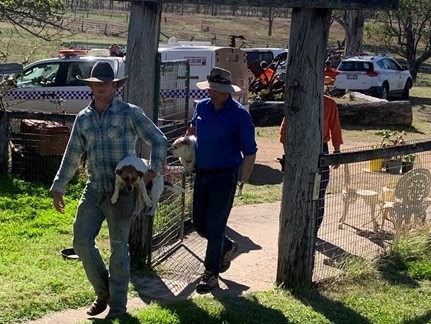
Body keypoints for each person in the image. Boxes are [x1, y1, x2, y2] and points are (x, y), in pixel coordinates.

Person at [50, 62, 168, 319]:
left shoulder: (130, 113)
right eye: (95, 84)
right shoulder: (84, 118)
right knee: (81, 242)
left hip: (122, 193)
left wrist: (152, 171)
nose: (100, 88)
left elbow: (158, 139)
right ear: (90, 87)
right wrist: (59, 186)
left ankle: (118, 307)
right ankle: (103, 292)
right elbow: (72, 154)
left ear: (115, 86)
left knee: (117, 249)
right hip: (94, 189)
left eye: (105, 84)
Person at [187, 67, 257, 294]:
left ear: (228, 91)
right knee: (199, 223)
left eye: (217, 89)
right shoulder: (201, 107)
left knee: (215, 226)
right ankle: (226, 246)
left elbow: (250, 151)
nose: (212, 93)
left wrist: (243, 179)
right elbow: (192, 130)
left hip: (225, 175)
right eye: (210, 89)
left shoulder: (239, 114)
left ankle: (211, 274)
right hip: (202, 173)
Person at [279, 94, 343, 234]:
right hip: (300, 147)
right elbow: (285, 131)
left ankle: (314, 230)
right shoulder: (299, 100)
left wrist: (337, 151)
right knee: (299, 189)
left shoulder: (329, 103)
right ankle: (297, 228)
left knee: (319, 190)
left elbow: (335, 127)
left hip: (321, 148)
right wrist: (289, 155)